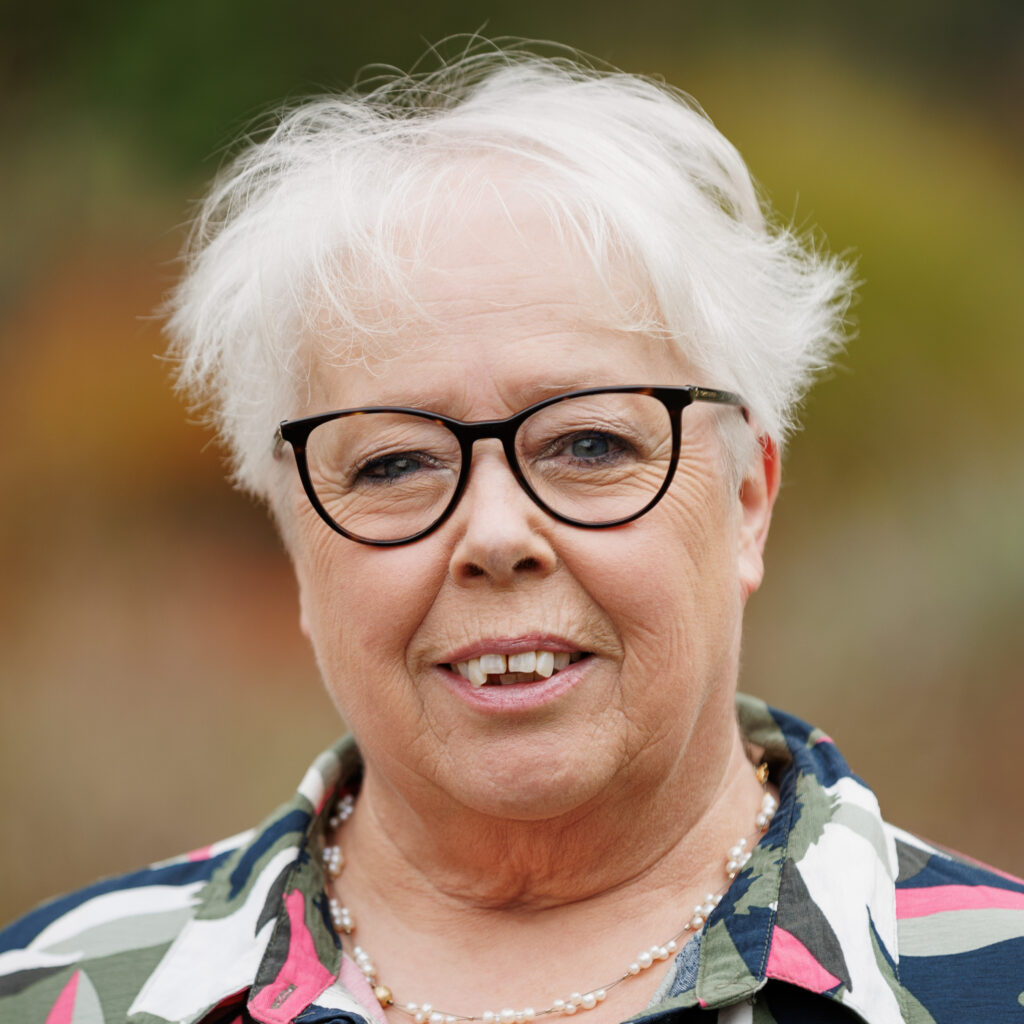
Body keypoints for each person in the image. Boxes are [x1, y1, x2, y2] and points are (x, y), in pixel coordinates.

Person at [1, 44, 1021, 1024]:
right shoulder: (51, 992)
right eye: (393, 463)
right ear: (296, 541)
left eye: (588, 443)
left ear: (747, 497)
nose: (494, 534)